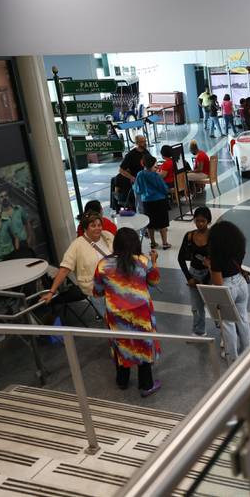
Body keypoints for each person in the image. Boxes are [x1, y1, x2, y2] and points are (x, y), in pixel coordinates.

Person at [93, 228, 161, 396]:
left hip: (116, 316)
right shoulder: (143, 261)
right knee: (143, 345)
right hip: (141, 314)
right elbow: (154, 280)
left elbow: (97, 291)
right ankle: (146, 386)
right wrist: (154, 261)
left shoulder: (103, 264)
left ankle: (122, 381)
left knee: (120, 345)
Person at [42, 212, 114, 305]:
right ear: (85, 228)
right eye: (93, 226)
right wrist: (51, 292)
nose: (97, 228)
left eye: (99, 225)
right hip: (98, 291)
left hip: (115, 285)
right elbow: (64, 269)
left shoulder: (107, 236)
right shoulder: (77, 245)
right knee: (108, 317)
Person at [207, 220, 250, 364]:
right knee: (243, 319)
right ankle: (248, 352)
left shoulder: (216, 254)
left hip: (227, 286)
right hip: (241, 283)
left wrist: (209, 266)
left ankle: (232, 357)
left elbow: (217, 282)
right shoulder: (238, 246)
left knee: (228, 324)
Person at [178, 207, 211, 336]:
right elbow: (180, 258)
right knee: (196, 307)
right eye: (197, 221)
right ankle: (199, 331)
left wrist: (206, 279)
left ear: (208, 221)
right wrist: (189, 278)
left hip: (211, 275)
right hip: (194, 273)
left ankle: (225, 330)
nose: (200, 224)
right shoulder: (189, 236)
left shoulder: (213, 236)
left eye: (203, 221)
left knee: (217, 305)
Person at [134, 154, 171, 250]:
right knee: (162, 223)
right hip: (159, 200)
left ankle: (153, 242)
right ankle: (165, 243)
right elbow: (163, 188)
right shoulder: (156, 176)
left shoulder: (140, 174)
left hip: (146, 201)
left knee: (150, 223)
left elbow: (138, 190)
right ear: (152, 164)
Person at [116, 134, 148, 209]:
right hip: (137, 182)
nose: (145, 143)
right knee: (140, 204)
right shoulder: (130, 155)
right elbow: (121, 170)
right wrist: (132, 178)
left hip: (146, 179)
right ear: (137, 143)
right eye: (142, 142)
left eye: (145, 141)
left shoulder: (146, 152)